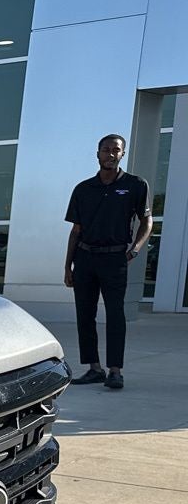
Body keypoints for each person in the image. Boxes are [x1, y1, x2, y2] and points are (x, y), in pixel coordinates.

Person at [64, 134, 152, 391]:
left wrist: (135, 250)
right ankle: (94, 368)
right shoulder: (83, 189)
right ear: (98, 153)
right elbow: (76, 230)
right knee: (85, 315)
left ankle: (115, 371)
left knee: (115, 315)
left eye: (116, 150)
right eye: (106, 149)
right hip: (84, 258)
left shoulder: (136, 185)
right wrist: (67, 266)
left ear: (123, 154)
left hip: (115, 258)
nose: (110, 154)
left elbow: (147, 221)